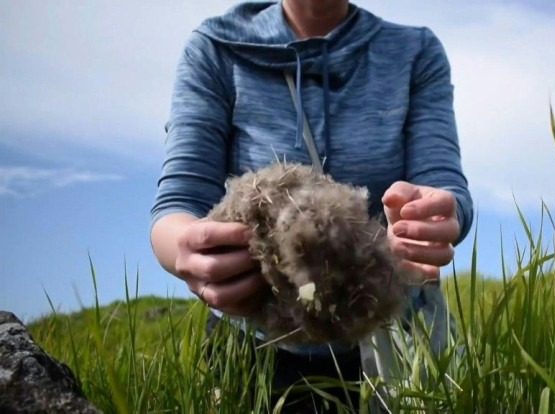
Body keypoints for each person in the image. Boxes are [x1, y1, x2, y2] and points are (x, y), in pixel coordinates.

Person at [149, 0, 473, 411]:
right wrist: (189, 250)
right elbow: (178, 203)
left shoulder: (415, 52)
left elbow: (445, 186)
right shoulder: (215, 48)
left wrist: (431, 218)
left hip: (398, 346)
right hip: (256, 352)